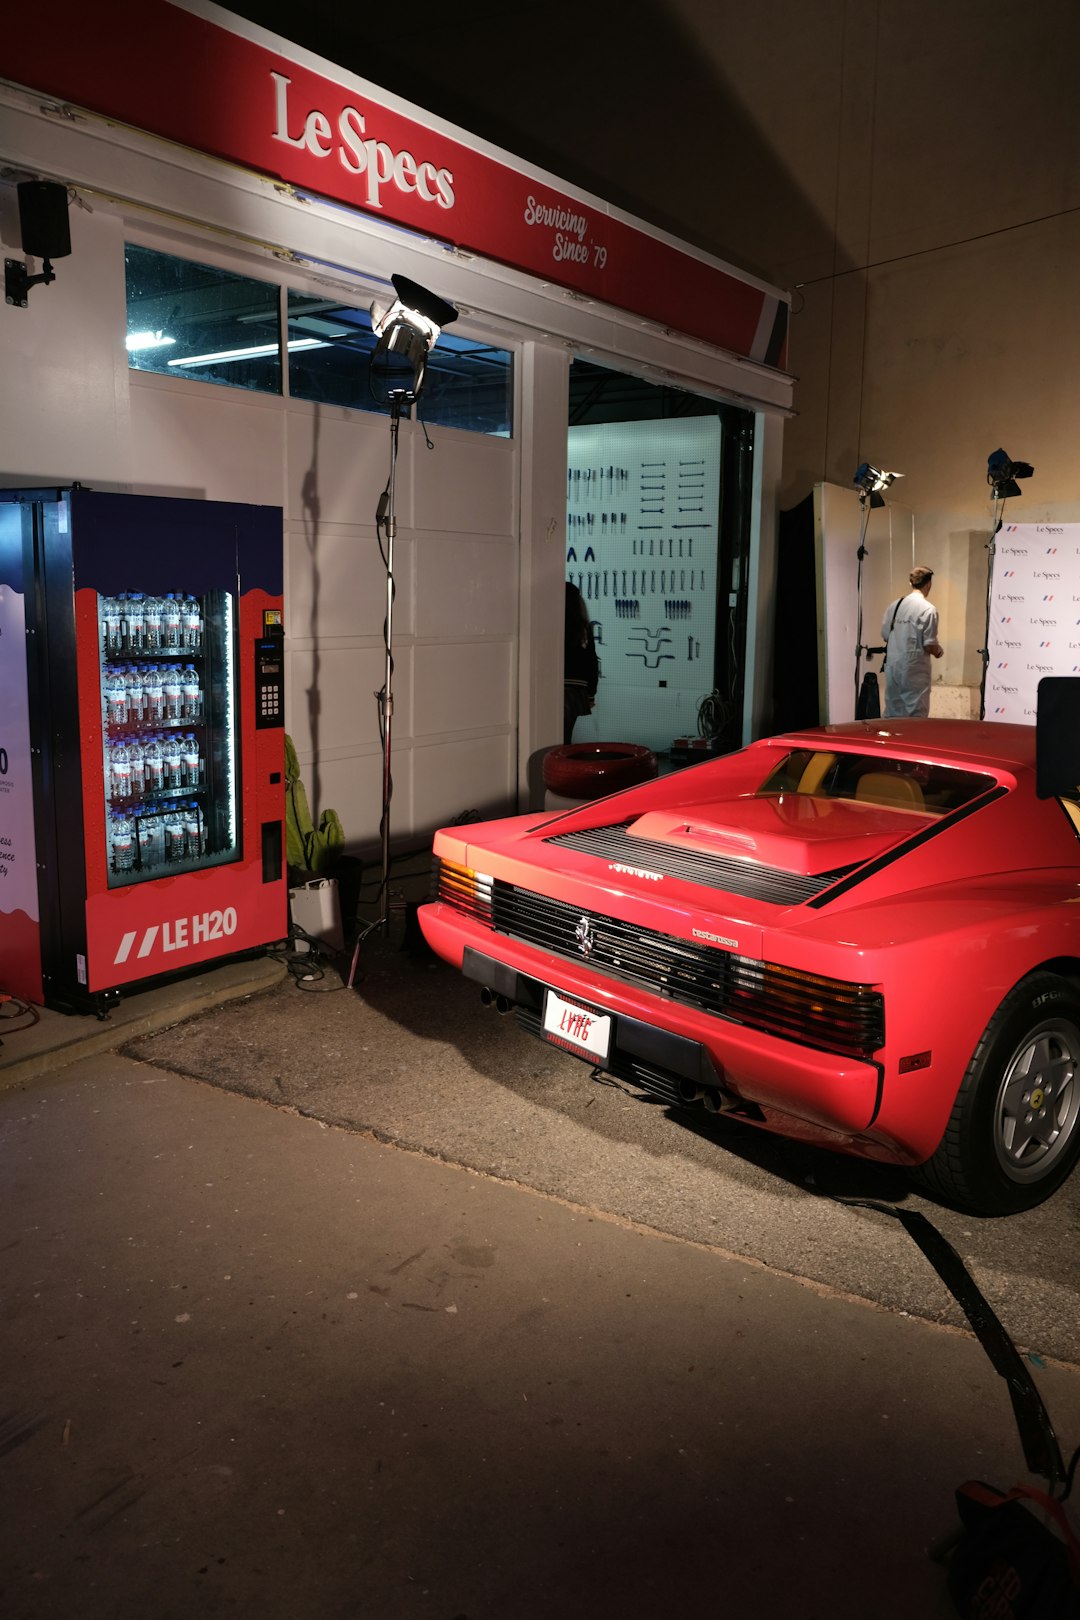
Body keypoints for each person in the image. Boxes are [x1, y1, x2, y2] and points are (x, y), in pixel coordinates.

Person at [881, 565, 943, 718]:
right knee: (916, 713)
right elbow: (929, 644)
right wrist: (939, 651)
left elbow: (885, 635)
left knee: (892, 711)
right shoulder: (928, 609)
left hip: (893, 665)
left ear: (911, 583)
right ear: (929, 583)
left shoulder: (895, 606)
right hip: (914, 669)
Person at [564, 580, 599, 743]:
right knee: (564, 737)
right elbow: (591, 662)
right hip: (576, 691)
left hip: (554, 688)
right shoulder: (583, 629)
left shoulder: (548, 625)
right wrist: (591, 693)